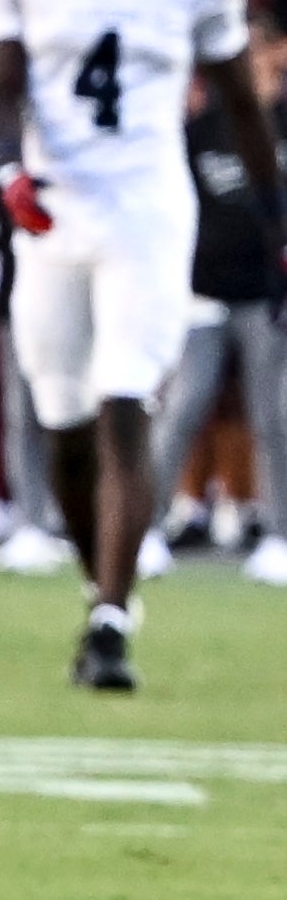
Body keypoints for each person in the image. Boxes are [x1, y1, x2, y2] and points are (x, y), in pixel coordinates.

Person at [0, 0, 277, 691]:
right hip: (49, 206)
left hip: (144, 208)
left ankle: (108, 620)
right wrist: (5, 170)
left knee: (120, 403)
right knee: (60, 417)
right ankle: (98, 584)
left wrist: (274, 208)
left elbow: (235, 99)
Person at [147, 40, 287, 585]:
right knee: (182, 408)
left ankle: (278, 535)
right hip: (201, 293)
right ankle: (146, 531)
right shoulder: (201, 130)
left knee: (273, 416)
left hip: (268, 297)